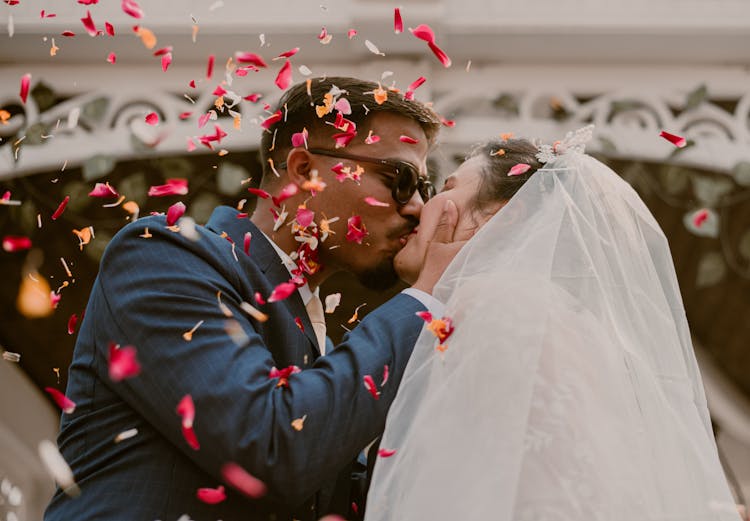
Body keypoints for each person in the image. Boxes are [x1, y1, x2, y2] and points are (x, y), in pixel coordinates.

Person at [44, 77, 464, 521]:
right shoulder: (161, 254)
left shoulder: (323, 343)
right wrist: (425, 300)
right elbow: (271, 445)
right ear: (304, 170)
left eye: (425, 189)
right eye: (399, 179)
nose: (417, 207)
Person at [364, 127, 742, 520]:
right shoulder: (562, 320)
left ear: (503, 218)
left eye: (447, 186)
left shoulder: (491, 306)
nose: (422, 205)